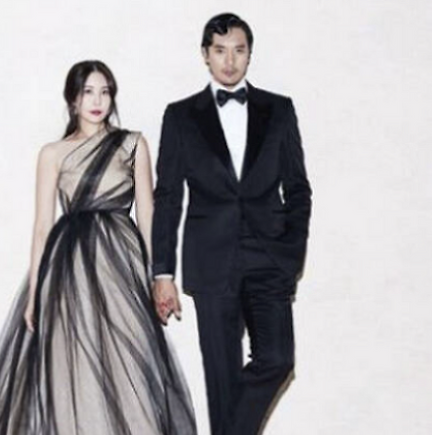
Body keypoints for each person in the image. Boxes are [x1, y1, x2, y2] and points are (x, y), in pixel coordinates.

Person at [0, 60, 196, 435]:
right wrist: (34, 295)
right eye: (88, 92)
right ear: (72, 100)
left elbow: (147, 215)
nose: (97, 101)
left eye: (105, 92)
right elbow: (42, 226)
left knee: (131, 363)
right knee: (71, 366)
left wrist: (158, 278)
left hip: (121, 265)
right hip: (69, 267)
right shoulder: (52, 153)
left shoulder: (132, 144)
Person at [151, 13, 312, 435]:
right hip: (211, 259)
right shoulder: (181, 116)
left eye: (238, 50)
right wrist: (162, 273)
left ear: (249, 55)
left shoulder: (279, 110)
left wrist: (292, 250)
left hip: (269, 256)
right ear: (205, 55)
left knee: (277, 359)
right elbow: (167, 197)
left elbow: (298, 189)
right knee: (221, 382)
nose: (229, 60)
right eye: (220, 51)